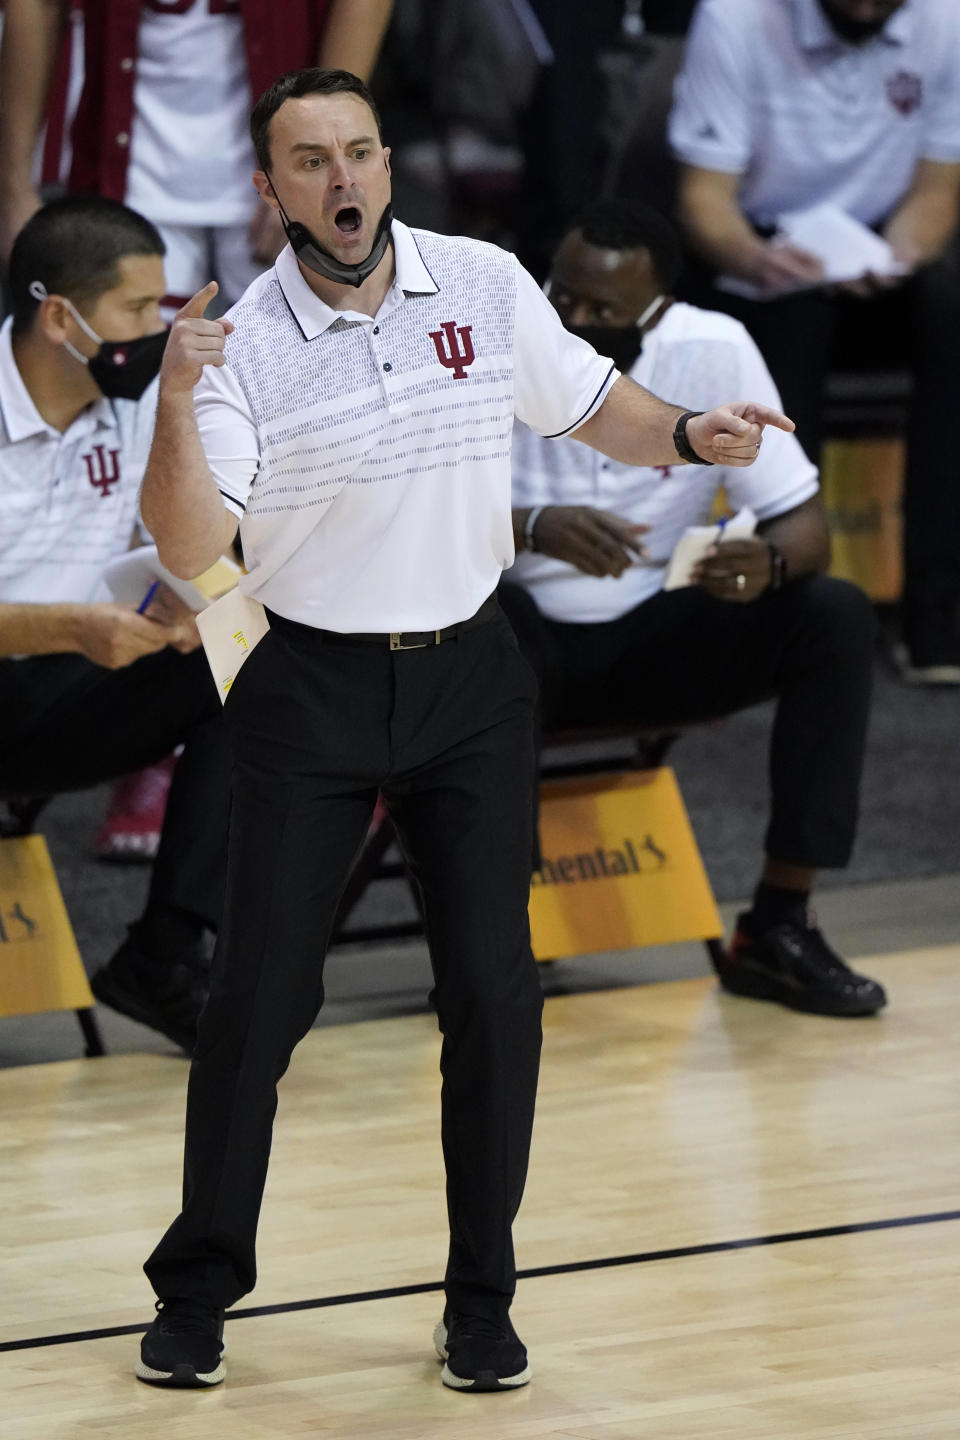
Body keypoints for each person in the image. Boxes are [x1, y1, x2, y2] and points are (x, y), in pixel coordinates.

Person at [130, 66, 791, 1394]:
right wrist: (169, 401)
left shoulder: (482, 282)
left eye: (361, 151)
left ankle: (480, 1301)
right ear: (270, 194)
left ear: (387, 165)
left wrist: (691, 433)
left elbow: (597, 406)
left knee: (495, 994)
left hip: (469, 682)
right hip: (306, 687)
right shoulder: (239, 342)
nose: (345, 179)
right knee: (260, 1007)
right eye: (310, 161)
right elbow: (193, 544)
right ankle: (198, 1288)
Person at [503, 199, 886, 1020]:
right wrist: (531, 526)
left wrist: (769, 562)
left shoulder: (713, 348)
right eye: (563, 295)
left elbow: (804, 521)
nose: (574, 318)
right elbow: (404, 521)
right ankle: (498, 936)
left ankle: (780, 923)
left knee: (835, 614)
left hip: (648, 630)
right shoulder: (495, 333)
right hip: (512, 631)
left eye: (603, 311)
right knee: (488, 630)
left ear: (658, 309)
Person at [668, 0, 960, 683]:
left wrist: (897, 255)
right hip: (758, 250)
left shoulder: (947, 19)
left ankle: (937, 618)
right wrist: (752, 257)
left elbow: (940, 184)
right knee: (795, 325)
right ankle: (790, 604)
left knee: (951, 306)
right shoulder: (735, 17)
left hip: (879, 248)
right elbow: (705, 199)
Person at [0, 196, 232, 1052]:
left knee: (247, 663)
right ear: (59, 316)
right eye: (137, 310)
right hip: (43, 651)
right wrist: (68, 626)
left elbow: (173, 542)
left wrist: (185, 600)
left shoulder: (141, 405)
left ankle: (165, 955)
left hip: (73, 680)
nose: (156, 330)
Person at [0, 0, 394, 306]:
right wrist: (13, 185)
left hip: (280, 172)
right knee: (130, 392)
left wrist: (320, 170)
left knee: (310, 387)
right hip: (127, 174)